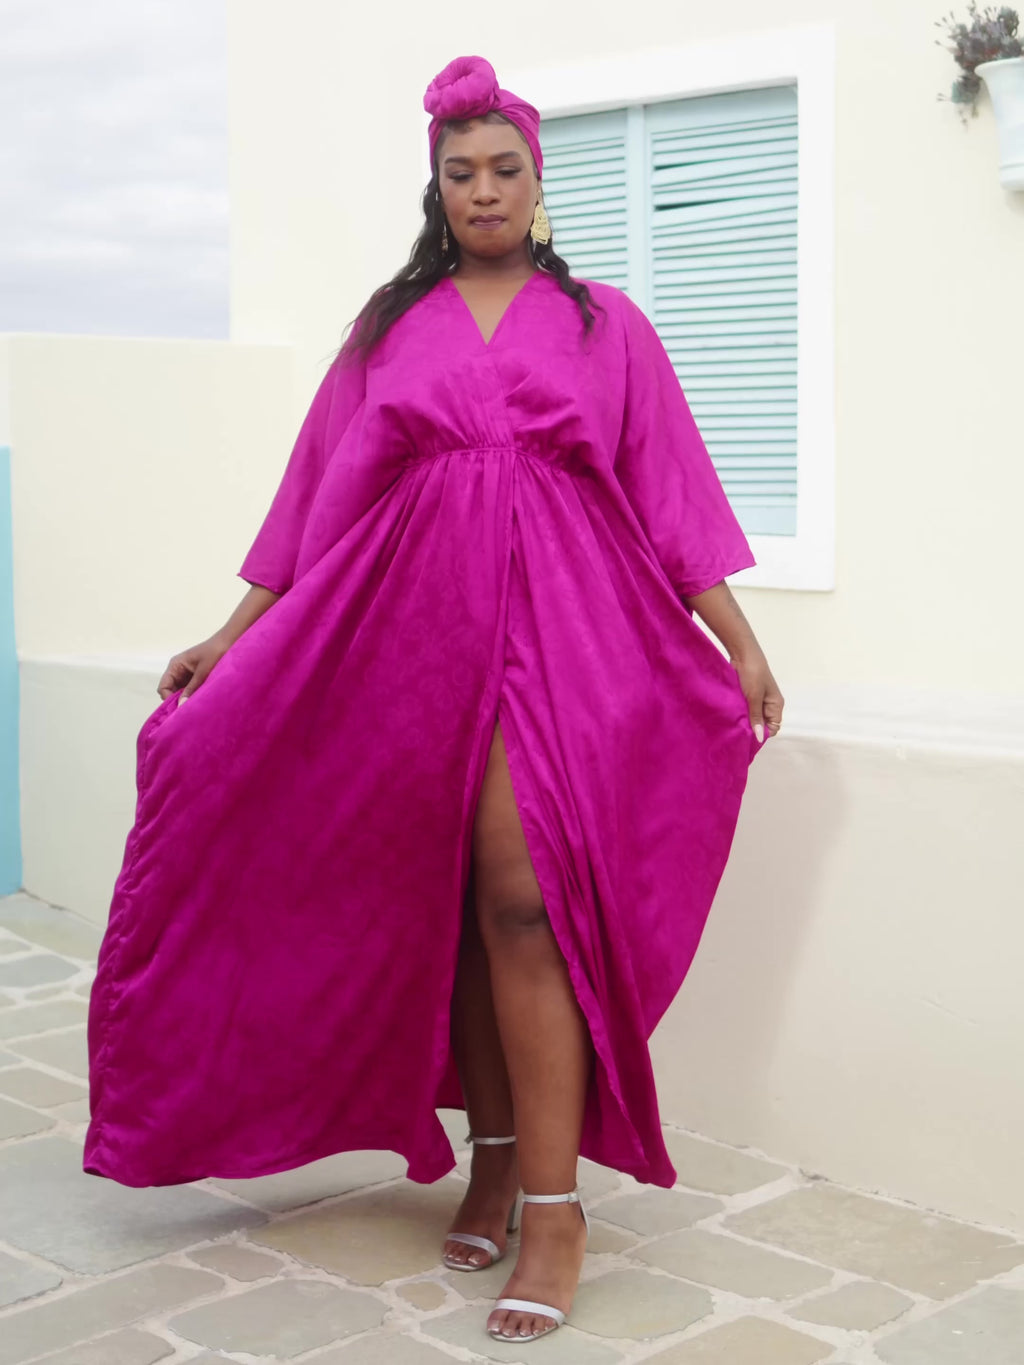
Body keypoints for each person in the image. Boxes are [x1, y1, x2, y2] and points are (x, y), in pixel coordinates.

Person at [85, 54, 783, 1344]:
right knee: (452, 902)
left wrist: (736, 640)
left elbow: (670, 487)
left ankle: (557, 1212)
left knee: (526, 902)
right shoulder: (390, 324)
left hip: (569, 623)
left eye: (504, 169)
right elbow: (317, 491)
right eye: (460, 174)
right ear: (437, 187)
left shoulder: (607, 325)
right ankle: (496, 1159)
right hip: (410, 632)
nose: (484, 191)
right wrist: (234, 639)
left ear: (537, 179)